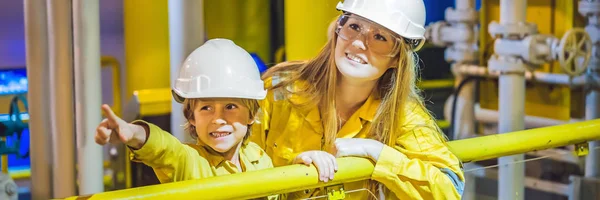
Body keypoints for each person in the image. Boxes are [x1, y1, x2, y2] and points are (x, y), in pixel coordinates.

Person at [250, 0, 464, 199]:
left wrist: (377, 153)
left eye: (380, 37)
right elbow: (238, 173)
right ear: (338, 29)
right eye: (354, 27)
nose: (360, 43)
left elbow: (449, 188)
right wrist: (294, 172)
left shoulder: (402, 115)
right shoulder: (281, 91)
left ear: (398, 58)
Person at [94, 39, 275, 185]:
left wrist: (301, 170)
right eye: (206, 108)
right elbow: (164, 149)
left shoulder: (259, 158)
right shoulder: (189, 162)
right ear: (191, 117)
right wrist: (134, 133)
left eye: (230, 107)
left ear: (251, 115)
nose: (218, 119)